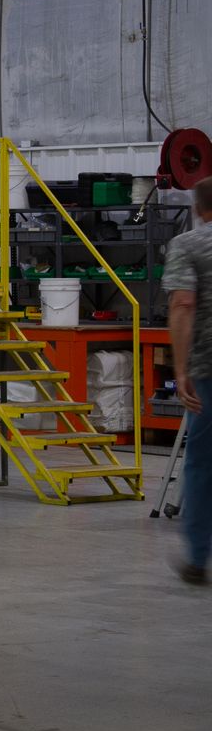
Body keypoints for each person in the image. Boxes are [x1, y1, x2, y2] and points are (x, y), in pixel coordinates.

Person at [163, 176, 212, 584]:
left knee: (200, 465)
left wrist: (181, 372)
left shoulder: (188, 246)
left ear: (198, 209)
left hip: (208, 370)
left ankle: (197, 558)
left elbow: (182, 304)